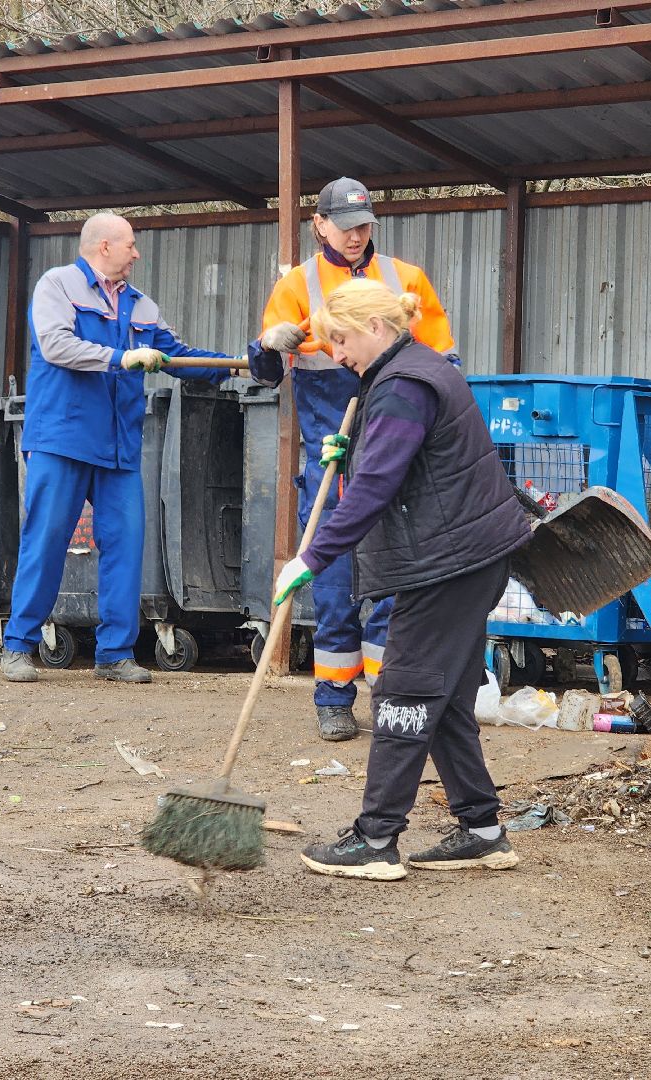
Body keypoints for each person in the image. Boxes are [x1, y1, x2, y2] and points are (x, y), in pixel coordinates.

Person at [273, 280, 531, 881]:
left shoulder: (402, 387)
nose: (335, 354)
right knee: (441, 700)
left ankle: (376, 836)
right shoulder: (413, 372)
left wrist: (311, 557)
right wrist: (357, 445)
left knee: (406, 690)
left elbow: (376, 489)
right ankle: (483, 830)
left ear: (375, 329)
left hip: (449, 562)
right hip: (469, 555)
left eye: (339, 340)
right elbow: (399, 462)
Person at [249, 176, 460, 743]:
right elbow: (266, 373)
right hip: (330, 454)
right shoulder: (297, 285)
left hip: (393, 442)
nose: (355, 236)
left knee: (395, 578)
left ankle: (390, 695)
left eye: (364, 226)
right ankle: (333, 700)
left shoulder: (405, 279)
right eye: (344, 227)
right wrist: (270, 347)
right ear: (318, 225)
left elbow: (444, 363)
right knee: (334, 583)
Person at [0, 213, 233, 684]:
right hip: (63, 439)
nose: (137, 253)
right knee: (45, 542)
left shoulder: (141, 305)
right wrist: (119, 357)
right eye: (131, 244)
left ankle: (115, 653)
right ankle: (18, 646)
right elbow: (56, 346)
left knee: (126, 545)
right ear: (103, 246)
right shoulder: (57, 286)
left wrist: (240, 362)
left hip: (119, 445)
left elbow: (177, 355)